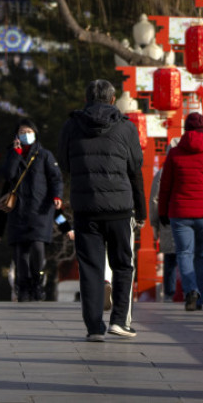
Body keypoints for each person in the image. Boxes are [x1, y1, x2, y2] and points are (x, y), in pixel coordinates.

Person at [58, 79, 145, 342]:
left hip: (86, 208)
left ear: (86, 98)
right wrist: (140, 210)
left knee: (91, 268)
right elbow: (135, 169)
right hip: (120, 208)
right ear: (112, 99)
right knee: (123, 265)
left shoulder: (71, 126)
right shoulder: (125, 127)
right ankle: (119, 321)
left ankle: (94, 327)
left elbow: (64, 162)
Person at [157, 113, 203, 311]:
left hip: (179, 212)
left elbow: (165, 187)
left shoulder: (174, 154)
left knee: (184, 253)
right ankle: (199, 299)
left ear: (185, 129)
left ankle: (191, 290)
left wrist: (162, 212)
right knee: (202, 255)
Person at [0, 120, 63, 302]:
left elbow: (56, 178)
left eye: (29, 131)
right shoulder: (12, 154)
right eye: (22, 131)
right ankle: (23, 287)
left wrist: (57, 196)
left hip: (40, 210)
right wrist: (15, 155)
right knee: (20, 254)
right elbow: (7, 176)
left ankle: (37, 283)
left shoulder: (45, 155)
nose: (25, 134)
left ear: (35, 133)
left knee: (38, 249)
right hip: (18, 211)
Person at [149, 151, 178, 302]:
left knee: (170, 258)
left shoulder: (162, 173)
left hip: (168, 219)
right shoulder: (192, 167)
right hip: (191, 218)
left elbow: (155, 199)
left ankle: (169, 294)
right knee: (189, 255)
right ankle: (191, 290)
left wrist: (154, 223)